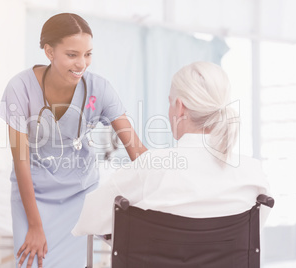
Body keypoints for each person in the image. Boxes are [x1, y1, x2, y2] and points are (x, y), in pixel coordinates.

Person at [0, 13, 147, 268]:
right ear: (49, 51)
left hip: (80, 194)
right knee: (31, 263)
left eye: (88, 54)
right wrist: (34, 225)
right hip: (34, 195)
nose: (82, 64)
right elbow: (20, 161)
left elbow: (136, 150)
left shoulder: (99, 89)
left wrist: (166, 181)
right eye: (72, 54)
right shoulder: (20, 88)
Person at [72, 61, 271, 236]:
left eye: (170, 103)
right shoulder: (254, 175)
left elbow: (88, 220)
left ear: (180, 107)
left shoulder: (150, 168)